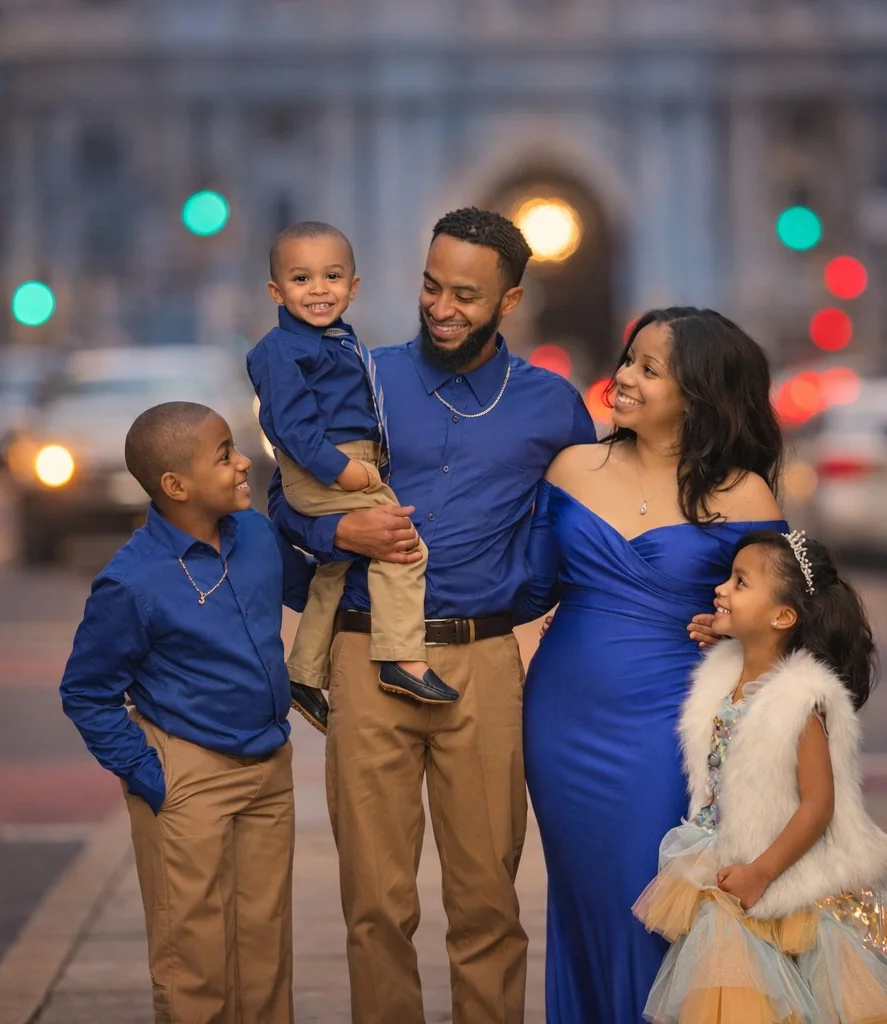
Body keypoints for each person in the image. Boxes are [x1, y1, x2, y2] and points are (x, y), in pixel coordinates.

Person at [270, 207, 596, 1023]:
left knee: (488, 903)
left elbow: (582, 530)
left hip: (484, 665)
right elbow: (281, 495)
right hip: (365, 657)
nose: (441, 307)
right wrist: (335, 529)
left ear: (510, 299)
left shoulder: (553, 408)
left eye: (465, 295)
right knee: (375, 906)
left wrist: (517, 600)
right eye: (429, 286)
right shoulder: (357, 376)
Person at [515, 308, 788, 1022]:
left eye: (647, 368)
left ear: (696, 394)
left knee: (654, 897)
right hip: (562, 717)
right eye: (626, 360)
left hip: (672, 721)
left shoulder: (746, 494)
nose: (623, 377)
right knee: (585, 897)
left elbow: (790, 616)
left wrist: (732, 628)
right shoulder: (572, 467)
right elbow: (528, 584)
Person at [631, 530, 887, 1024]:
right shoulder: (726, 680)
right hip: (723, 860)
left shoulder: (798, 702)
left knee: (804, 998)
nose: (721, 589)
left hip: (781, 872)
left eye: (740, 583)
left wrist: (760, 873)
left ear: (783, 617)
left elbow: (818, 805)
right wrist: (728, 627)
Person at [60, 401, 311, 1024]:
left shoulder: (256, 534)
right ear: (177, 486)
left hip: (269, 767)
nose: (243, 461)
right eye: (224, 454)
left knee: (265, 951)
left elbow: (313, 588)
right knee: (193, 964)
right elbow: (86, 691)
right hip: (187, 774)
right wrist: (149, 775)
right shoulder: (133, 582)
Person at [247, 221, 453, 736]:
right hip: (328, 464)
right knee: (402, 547)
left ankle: (302, 673)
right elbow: (289, 427)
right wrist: (343, 470)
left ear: (353, 286)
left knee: (334, 574)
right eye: (301, 279)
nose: (319, 289)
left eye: (332, 276)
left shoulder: (337, 341)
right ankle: (402, 659)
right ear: (276, 291)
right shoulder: (282, 350)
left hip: (345, 460)